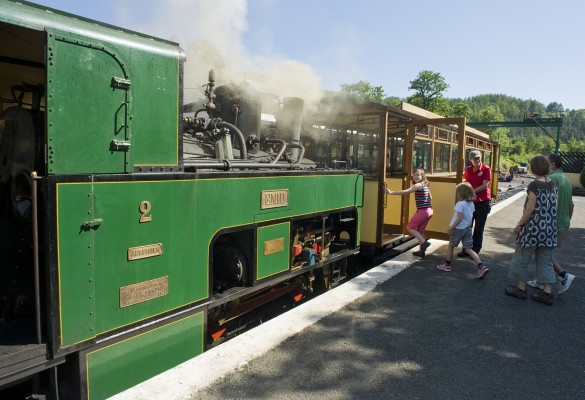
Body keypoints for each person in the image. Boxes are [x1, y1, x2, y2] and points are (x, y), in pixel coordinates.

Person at [505, 155, 557, 305]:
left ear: (534, 168)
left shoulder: (534, 185)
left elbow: (530, 209)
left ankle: (520, 289)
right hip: (549, 230)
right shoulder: (552, 184)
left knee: (522, 258)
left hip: (533, 229)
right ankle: (547, 293)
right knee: (545, 261)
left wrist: (519, 225)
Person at [527, 153, 575, 294]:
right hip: (563, 223)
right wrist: (566, 221)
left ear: (552, 164)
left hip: (550, 224)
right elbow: (571, 205)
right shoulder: (566, 180)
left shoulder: (551, 179)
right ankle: (542, 280)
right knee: (544, 253)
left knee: (543, 254)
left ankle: (563, 276)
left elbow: (540, 204)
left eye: (546, 162)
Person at [436, 182, 489, 279]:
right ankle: (481, 267)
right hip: (467, 228)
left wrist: (451, 228)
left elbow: (459, 218)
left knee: (451, 246)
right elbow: (469, 215)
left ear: (461, 193)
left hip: (458, 229)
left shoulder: (460, 204)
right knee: (468, 249)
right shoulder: (471, 203)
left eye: (457, 192)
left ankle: (447, 265)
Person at [385, 168, 433, 257]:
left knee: (410, 227)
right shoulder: (425, 184)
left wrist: (391, 192)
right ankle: (421, 251)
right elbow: (430, 197)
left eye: (418, 175)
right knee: (420, 231)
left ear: (422, 176)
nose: (415, 176)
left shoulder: (418, 185)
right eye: (414, 175)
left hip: (422, 211)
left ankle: (424, 243)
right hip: (429, 210)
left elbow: (406, 192)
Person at [458, 149, 492, 257]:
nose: (477, 160)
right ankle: (466, 249)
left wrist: (470, 193)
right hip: (470, 202)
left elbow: (484, 185)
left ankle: (475, 250)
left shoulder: (486, 168)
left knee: (479, 227)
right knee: (467, 226)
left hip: (482, 202)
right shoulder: (468, 170)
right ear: (470, 160)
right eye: (474, 158)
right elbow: (465, 182)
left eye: (478, 158)